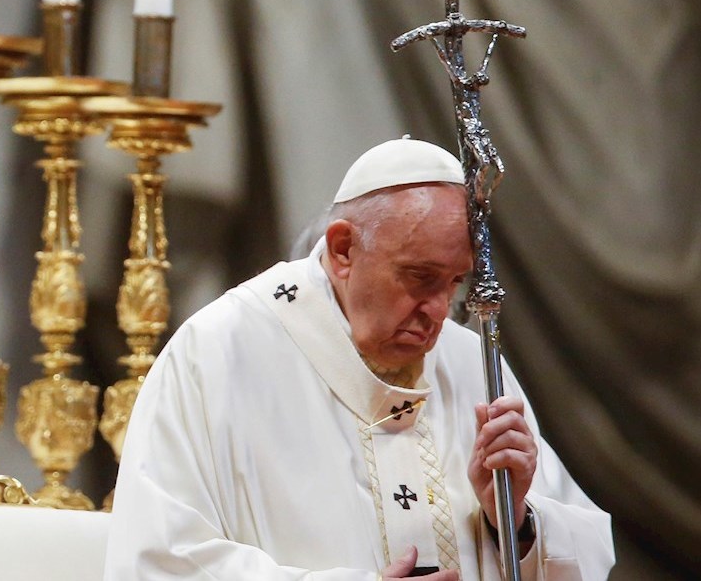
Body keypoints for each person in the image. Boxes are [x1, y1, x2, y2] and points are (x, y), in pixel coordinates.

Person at [103, 138, 614, 580]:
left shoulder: (468, 362)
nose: (440, 312)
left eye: (455, 283)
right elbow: (158, 560)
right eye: (420, 277)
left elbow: (587, 552)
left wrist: (515, 518)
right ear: (344, 249)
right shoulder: (217, 352)